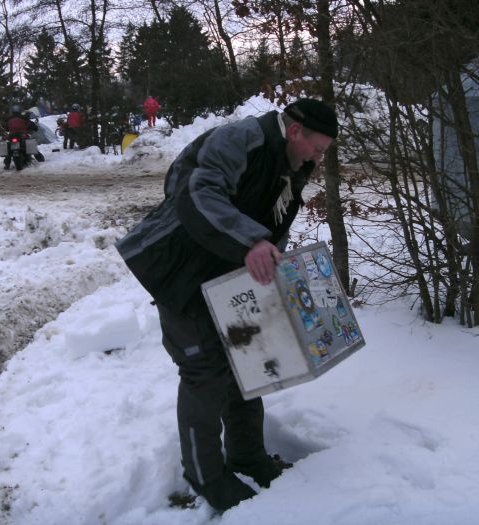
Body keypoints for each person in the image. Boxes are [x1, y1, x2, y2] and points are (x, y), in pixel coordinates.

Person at [115, 98, 338, 512]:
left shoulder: (293, 162)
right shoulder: (241, 139)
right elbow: (198, 192)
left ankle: (248, 457)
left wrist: (273, 261)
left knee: (245, 363)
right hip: (179, 269)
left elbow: (273, 218)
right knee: (203, 371)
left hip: (229, 272)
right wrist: (251, 241)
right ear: (295, 131)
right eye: (318, 148)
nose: (318, 158)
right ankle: (205, 476)